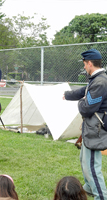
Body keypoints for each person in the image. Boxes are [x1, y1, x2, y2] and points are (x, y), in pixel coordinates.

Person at [63, 49, 107, 200]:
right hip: (92, 126)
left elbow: (87, 108)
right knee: (84, 159)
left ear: (89, 63)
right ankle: (89, 186)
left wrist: (81, 101)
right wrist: (67, 95)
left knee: (92, 167)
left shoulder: (100, 82)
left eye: (84, 65)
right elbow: (84, 91)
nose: (83, 68)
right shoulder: (97, 78)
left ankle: (101, 196)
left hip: (96, 129)